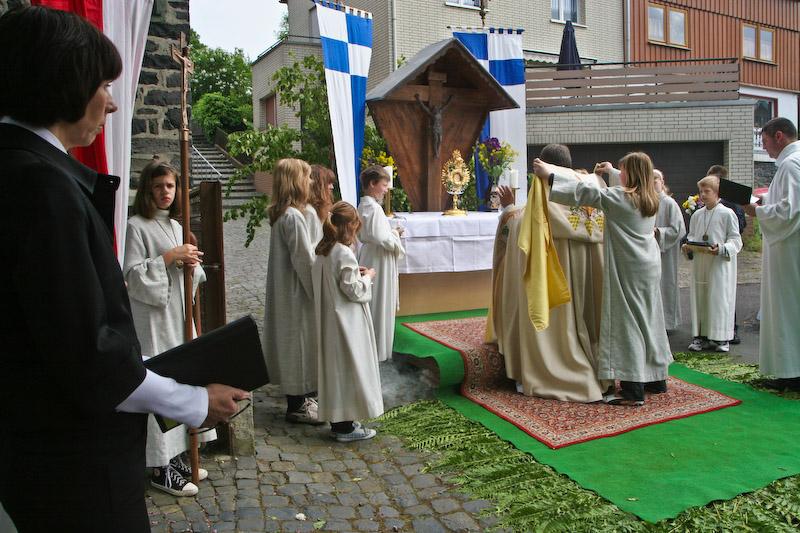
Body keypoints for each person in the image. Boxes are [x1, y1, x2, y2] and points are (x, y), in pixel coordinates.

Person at [0, 7, 247, 531]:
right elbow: (86, 351)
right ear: (65, 83)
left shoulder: (21, 170)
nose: (112, 103)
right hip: (74, 460)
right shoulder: (42, 188)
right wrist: (192, 401)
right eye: (104, 86)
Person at [533, 152, 673, 406]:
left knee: (628, 321)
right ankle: (656, 379)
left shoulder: (620, 198)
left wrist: (550, 175)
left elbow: (585, 193)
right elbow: (627, 181)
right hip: (649, 264)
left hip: (629, 267)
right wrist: (610, 171)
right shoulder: (650, 197)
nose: (621, 175)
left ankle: (633, 389)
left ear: (631, 174)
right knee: (649, 318)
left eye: (623, 171)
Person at [124, 159, 216, 497]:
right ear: (148, 189)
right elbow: (132, 275)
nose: (165, 192)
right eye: (159, 186)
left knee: (180, 381)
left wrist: (191, 264)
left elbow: (189, 276)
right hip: (153, 319)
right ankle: (159, 466)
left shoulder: (177, 227)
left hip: (178, 316)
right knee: (159, 382)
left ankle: (177, 456)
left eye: (171, 186)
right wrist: (168, 258)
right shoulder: (136, 226)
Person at [489, 144, 608, 402]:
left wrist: (508, 209)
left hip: (556, 281)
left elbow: (521, 231)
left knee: (559, 321)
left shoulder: (546, 192)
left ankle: (557, 369)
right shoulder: (590, 189)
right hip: (588, 272)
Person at [313, 201, 384, 442]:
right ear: (349, 226)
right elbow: (353, 290)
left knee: (336, 370)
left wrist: (355, 272)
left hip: (330, 319)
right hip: (346, 322)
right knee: (349, 367)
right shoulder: (343, 252)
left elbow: (334, 278)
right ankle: (344, 428)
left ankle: (341, 420)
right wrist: (368, 277)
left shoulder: (323, 249)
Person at [262, 158, 323, 424]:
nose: (311, 181)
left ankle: (301, 400)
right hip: (298, 293)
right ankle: (298, 404)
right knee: (301, 344)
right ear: (296, 181)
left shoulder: (284, 214)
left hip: (288, 290)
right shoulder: (293, 217)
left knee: (295, 343)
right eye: (307, 177)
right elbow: (304, 260)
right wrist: (320, 293)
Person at [744, 117, 800, 391]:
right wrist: (765, 202)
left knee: (787, 308)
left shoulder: (791, 165)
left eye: (765, 141)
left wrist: (758, 211)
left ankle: (791, 372)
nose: (763, 147)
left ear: (779, 136)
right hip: (789, 247)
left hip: (789, 250)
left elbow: (790, 211)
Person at [682, 175, 742, 353]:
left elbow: (736, 240)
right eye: (701, 191)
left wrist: (722, 248)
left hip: (719, 264)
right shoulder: (697, 215)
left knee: (719, 299)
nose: (702, 195)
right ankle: (701, 337)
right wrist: (688, 247)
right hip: (701, 264)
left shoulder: (727, 213)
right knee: (701, 298)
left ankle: (721, 338)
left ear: (717, 193)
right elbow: (692, 236)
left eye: (706, 191)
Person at [357, 165, 405, 362]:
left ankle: (371, 348)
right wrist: (395, 235)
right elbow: (380, 237)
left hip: (371, 255)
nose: (386, 190)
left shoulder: (363, 205)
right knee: (379, 301)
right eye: (384, 185)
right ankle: (378, 351)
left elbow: (372, 234)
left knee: (374, 301)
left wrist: (391, 233)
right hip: (379, 260)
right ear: (372, 184)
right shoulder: (375, 208)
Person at [707, 164, 746, 344]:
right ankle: (710, 329)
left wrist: (725, 242)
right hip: (707, 253)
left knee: (725, 292)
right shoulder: (706, 199)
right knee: (710, 292)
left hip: (724, 250)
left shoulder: (731, 202)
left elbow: (740, 224)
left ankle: (731, 329)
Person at [653, 169, 686, 332]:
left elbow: (678, 229)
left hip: (665, 252)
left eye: (656, 179)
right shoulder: (645, 202)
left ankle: (667, 322)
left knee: (666, 284)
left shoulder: (669, 203)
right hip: (649, 252)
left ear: (662, 182)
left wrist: (658, 232)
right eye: (649, 179)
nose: (652, 182)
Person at [306, 164, 337, 246]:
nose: (332, 187)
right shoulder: (309, 212)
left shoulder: (323, 210)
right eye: (328, 183)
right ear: (318, 185)